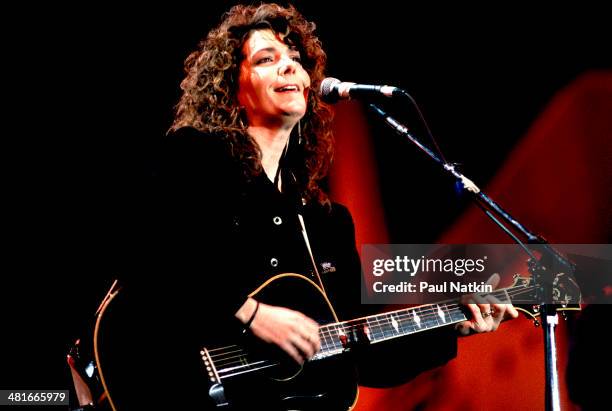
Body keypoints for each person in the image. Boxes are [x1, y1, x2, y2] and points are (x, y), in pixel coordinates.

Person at [111, 3, 518, 410]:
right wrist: (251, 314)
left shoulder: (326, 223)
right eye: (267, 59)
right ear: (231, 88)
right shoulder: (193, 160)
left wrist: (451, 328)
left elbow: (360, 352)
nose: (289, 67)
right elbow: (141, 256)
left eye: (296, 59)